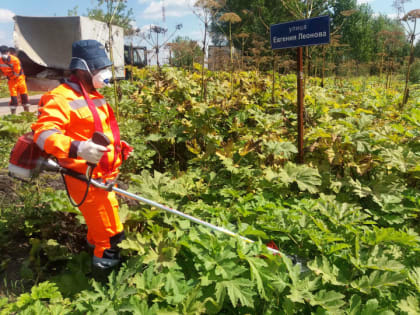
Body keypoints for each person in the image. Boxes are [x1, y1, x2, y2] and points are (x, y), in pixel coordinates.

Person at [31, 40, 133, 277]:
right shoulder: (59, 98)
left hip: (106, 176)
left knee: (101, 226)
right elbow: (43, 134)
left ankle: (93, 249)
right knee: (111, 236)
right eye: (98, 69)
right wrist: (77, 148)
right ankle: (106, 285)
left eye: (105, 67)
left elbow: (99, 129)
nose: (104, 74)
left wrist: (118, 146)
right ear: (81, 69)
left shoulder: (95, 95)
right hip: (85, 178)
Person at [0, 45, 30, 114]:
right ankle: (13, 115)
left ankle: (27, 115)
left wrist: (9, 76)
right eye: (3, 52)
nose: (4, 54)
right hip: (11, 81)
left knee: (24, 97)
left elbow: (17, 73)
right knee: (14, 99)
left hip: (20, 79)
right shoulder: (0, 61)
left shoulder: (15, 60)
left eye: (5, 52)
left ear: (8, 52)